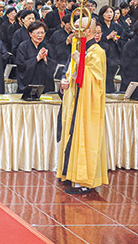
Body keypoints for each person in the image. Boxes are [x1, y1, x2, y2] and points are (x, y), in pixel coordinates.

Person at [58, 17, 107, 195]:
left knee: (86, 138)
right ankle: (71, 174)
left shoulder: (96, 52)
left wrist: (80, 62)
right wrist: (65, 82)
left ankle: (84, 180)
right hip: (75, 103)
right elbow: (71, 75)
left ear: (89, 32)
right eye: (75, 27)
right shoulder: (79, 50)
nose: (75, 31)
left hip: (88, 105)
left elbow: (95, 81)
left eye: (80, 28)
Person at [16, 21, 56, 93]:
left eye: (42, 33)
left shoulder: (47, 46)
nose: (40, 35)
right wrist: (37, 58)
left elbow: (54, 65)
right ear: (30, 34)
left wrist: (45, 59)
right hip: (29, 82)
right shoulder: (23, 46)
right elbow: (21, 65)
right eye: (37, 33)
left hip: (45, 84)